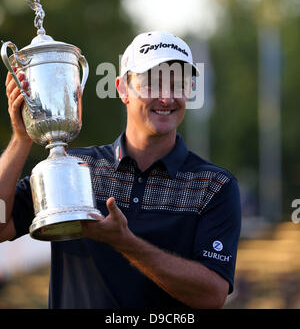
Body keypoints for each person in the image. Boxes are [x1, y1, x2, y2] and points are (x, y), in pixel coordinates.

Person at [0, 30, 241, 309]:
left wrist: (126, 242)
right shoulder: (74, 169)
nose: (166, 98)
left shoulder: (214, 185)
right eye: (151, 84)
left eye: (178, 85)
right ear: (123, 89)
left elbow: (212, 295)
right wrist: (21, 140)